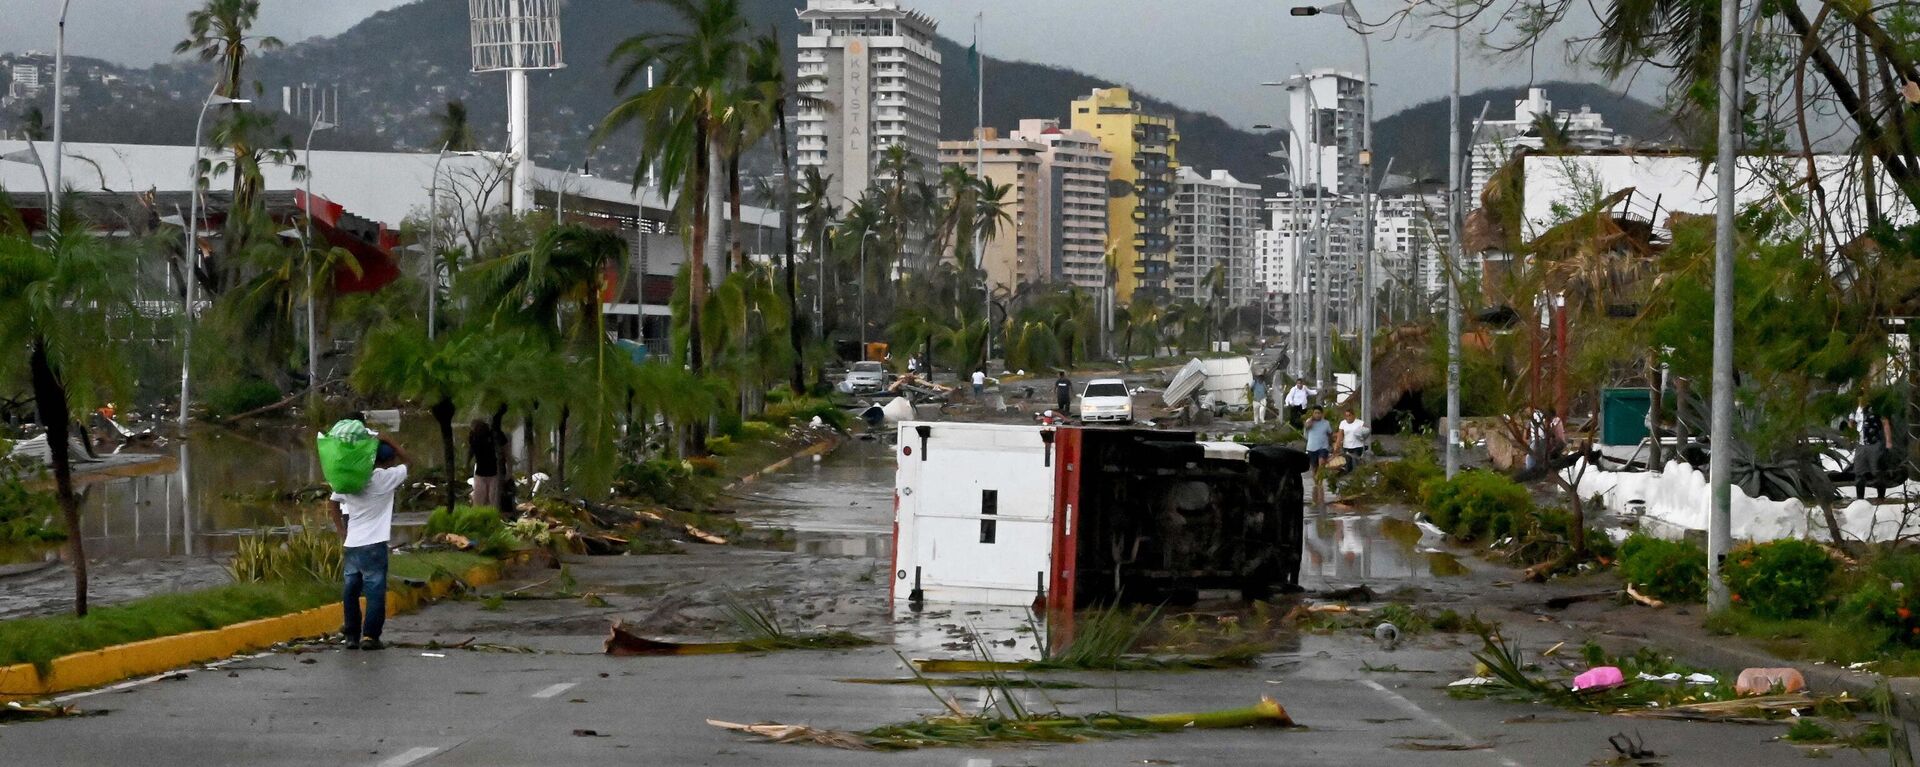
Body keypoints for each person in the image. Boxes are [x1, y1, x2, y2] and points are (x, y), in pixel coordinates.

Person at [329, 436, 409, 651]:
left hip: (352, 543)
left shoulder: (352, 477)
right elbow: (410, 462)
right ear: (386, 461)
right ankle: (370, 636)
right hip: (374, 544)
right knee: (374, 591)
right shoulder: (385, 478)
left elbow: (333, 503)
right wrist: (390, 440)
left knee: (351, 590)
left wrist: (341, 531)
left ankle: (352, 636)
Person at [1856, 401, 1893, 500]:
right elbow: (1852, 423)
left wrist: (1888, 441)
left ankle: (1881, 497)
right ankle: (1860, 499)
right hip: (1860, 444)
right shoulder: (1856, 408)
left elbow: (1885, 423)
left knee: (1878, 471)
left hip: (1875, 443)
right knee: (1859, 472)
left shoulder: (1877, 407)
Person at [468, 420, 501, 509]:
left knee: (492, 499)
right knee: (479, 499)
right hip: (480, 472)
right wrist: (467, 463)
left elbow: (499, 451)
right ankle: (478, 516)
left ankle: (492, 516)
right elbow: (471, 450)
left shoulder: (491, 436)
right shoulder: (474, 437)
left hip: (492, 472)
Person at [1337, 408, 1370, 475]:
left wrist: (1363, 437)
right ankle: (1349, 478)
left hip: (1357, 446)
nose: (1348, 417)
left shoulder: (1360, 423)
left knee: (1355, 463)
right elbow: (1340, 434)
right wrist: (1337, 444)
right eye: (1346, 416)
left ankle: (1357, 477)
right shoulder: (1343, 423)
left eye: (1349, 415)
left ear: (1353, 415)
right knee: (1348, 464)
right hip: (1346, 446)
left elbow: (1368, 430)